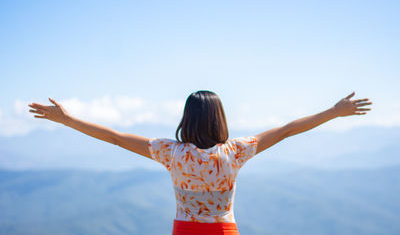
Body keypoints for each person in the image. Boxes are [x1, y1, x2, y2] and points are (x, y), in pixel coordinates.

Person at [28, 90, 372, 235]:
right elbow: (285, 131)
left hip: (185, 231)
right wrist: (333, 112)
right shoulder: (236, 150)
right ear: (219, 119)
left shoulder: (171, 152)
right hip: (225, 231)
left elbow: (116, 138)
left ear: (187, 118)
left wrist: (68, 120)